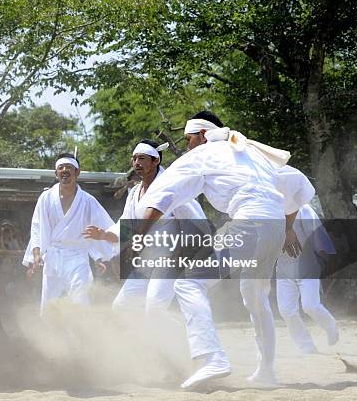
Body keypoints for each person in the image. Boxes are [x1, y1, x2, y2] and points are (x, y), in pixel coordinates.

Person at [137, 110, 298, 388]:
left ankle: (213, 358)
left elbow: (165, 194)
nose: (187, 146)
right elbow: (293, 189)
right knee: (257, 300)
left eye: (188, 139)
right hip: (274, 227)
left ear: (201, 135)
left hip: (250, 223)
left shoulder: (203, 154)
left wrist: (138, 236)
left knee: (188, 285)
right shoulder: (248, 150)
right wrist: (288, 227)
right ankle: (267, 372)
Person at [83, 139, 209, 313]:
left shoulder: (171, 186)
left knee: (154, 306)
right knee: (121, 307)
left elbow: (195, 220)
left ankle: (176, 337)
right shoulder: (135, 192)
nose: (136, 163)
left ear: (156, 160)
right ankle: (136, 340)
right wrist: (104, 235)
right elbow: (127, 227)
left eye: (142, 158)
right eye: (134, 159)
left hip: (169, 259)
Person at [22, 154, 116, 315]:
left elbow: (99, 227)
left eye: (69, 167)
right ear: (56, 173)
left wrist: (98, 257)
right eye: (61, 168)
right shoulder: (46, 198)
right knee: (49, 302)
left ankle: (81, 336)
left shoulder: (88, 201)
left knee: (80, 300)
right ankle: (50, 336)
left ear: (77, 172)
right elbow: (37, 227)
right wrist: (36, 256)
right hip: (53, 256)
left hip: (77, 257)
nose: (64, 170)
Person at [276, 203, 339, 353]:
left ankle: (330, 325)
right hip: (283, 269)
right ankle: (306, 345)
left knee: (310, 306)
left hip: (306, 265)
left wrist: (326, 257)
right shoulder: (265, 209)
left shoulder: (303, 208)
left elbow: (317, 232)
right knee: (286, 310)